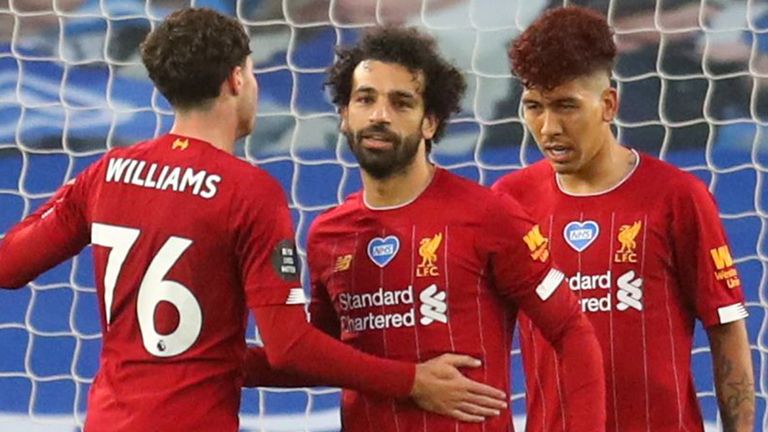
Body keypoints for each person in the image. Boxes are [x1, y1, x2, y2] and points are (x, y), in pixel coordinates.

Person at [0, 8, 508, 431]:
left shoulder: (107, 173)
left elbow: (9, 265)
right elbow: (290, 346)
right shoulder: (248, 192)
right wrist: (411, 380)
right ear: (237, 78)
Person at [246, 25, 605, 431]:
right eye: (365, 99)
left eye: (401, 103)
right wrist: (219, 359)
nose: (380, 115)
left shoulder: (489, 215)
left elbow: (573, 332)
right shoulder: (328, 234)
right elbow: (322, 359)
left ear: (429, 123)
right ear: (345, 115)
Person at [493, 6, 755, 431]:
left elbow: (726, 328)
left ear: (609, 104)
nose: (548, 127)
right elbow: (486, 335)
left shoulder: (677, 197)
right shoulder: (509, 201)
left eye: (566, 106)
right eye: (534, 106)